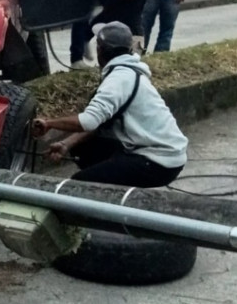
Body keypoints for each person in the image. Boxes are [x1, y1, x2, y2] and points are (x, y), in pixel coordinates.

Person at [31, 21, 187, 187]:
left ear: (100, 51)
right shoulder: (127, 71)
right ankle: (108, 188)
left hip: (158, 162)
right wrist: (65, 144)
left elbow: (87, 121)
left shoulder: (118, 80)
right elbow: (98, 123)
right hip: (153, 150)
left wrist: (49, 123)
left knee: (78, 184)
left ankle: (104, 199)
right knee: (82, 147)